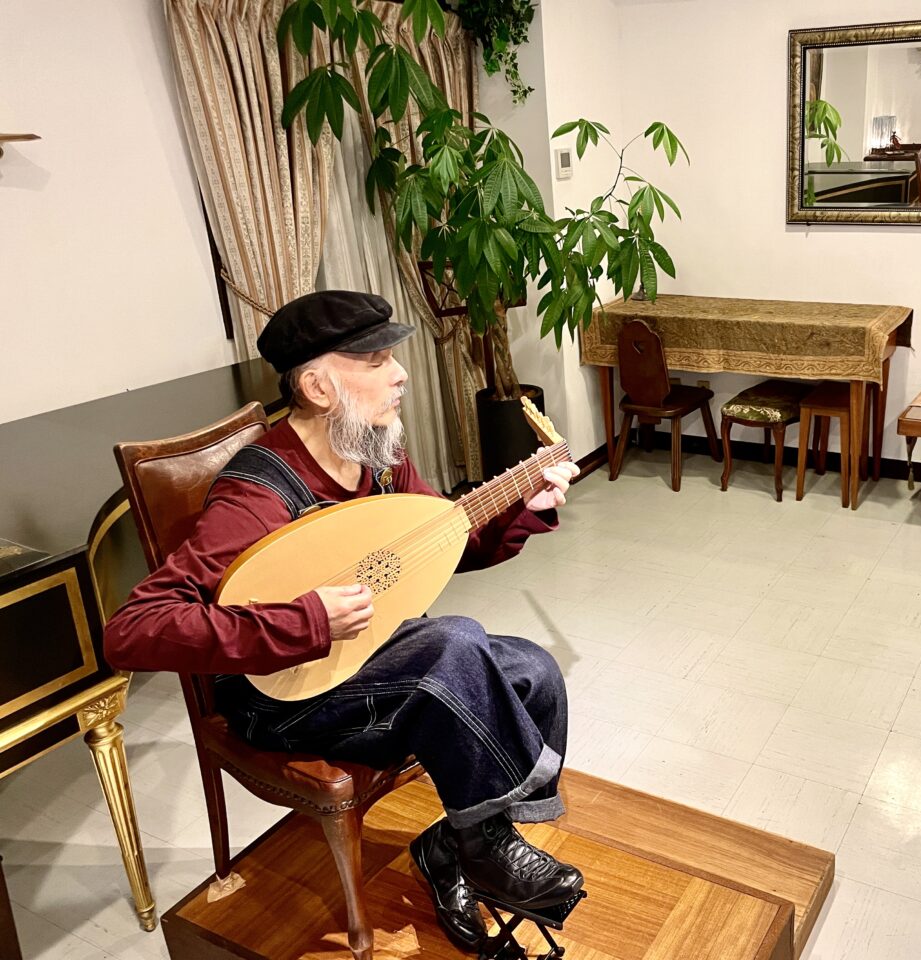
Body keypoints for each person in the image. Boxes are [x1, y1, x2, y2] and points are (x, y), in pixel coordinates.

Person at [104, 290, 583, 953]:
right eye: (378, 360)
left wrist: (525, 505)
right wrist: (303, 621)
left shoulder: (377, 456)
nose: (401, 374)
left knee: (534, 669)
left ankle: (457, 846)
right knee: (455, 642)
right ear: (318, 387)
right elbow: (132, 629)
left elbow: (443, 545)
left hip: (369, 662)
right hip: (281, 696)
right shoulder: (257, 494)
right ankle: (485, 852)